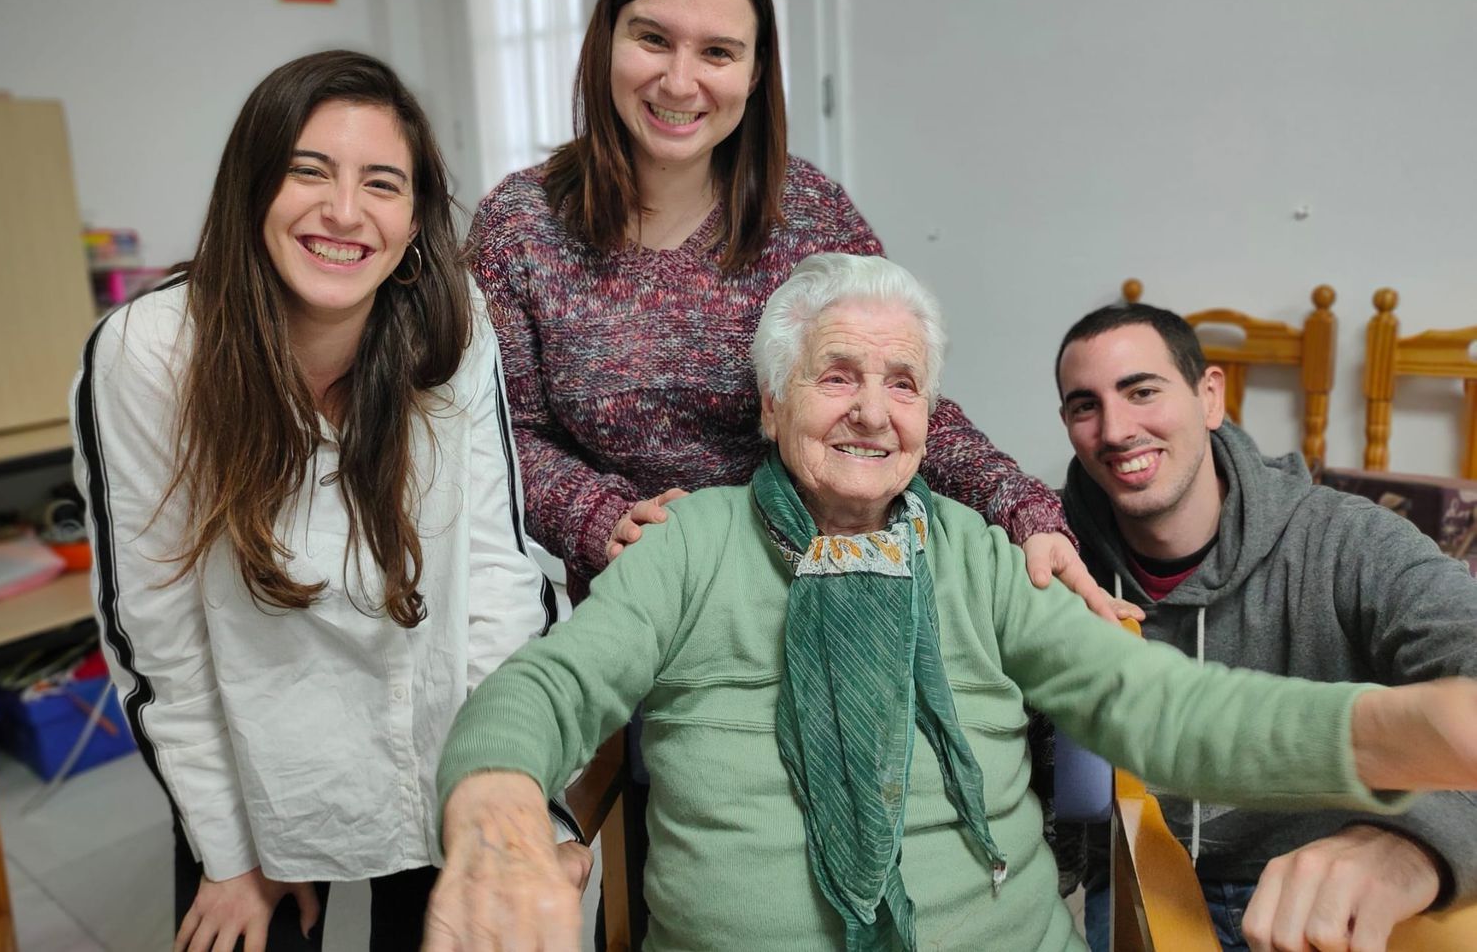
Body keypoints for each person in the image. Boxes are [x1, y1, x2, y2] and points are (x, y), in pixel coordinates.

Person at [424, 253, 1477, 952]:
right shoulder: (689, 543)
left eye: (904, 384)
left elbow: (1161, 705)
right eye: (839, 376)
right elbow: (550, 685)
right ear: (773, 400)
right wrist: (497, 801)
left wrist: (1390, 728)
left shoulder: (979, 556)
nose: (875, 414)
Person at [468, 0, 1117, 618]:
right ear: (606, 41)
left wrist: (1024, 508)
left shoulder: (809, 215)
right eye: (653, 39)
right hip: (641, 605)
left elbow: (901, 398)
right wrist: (601, 515)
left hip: (820, 589)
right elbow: (502, 435)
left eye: (718, 52)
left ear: (754, 74)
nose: (680, 82)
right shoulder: (519, 227)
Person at [70, 50, 582, 952]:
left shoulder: (448, 319)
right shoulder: (152, 351)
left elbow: (498, 573)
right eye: (310, 170)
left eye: (382, 183)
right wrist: (230, 847)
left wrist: (511, 792)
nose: (345, 212)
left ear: (416, 217)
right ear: (252, 186)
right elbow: (157, 634)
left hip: (438, 728)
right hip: (252, 744)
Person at [1054, 301, 1477, 952]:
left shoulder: (1351, 542)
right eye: (1085, 405)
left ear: (1210, 395)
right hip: (1140, 875)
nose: (1116, 428)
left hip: (1319, 892)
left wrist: (1413, 845)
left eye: (1142, 391)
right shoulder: (1053, 553)